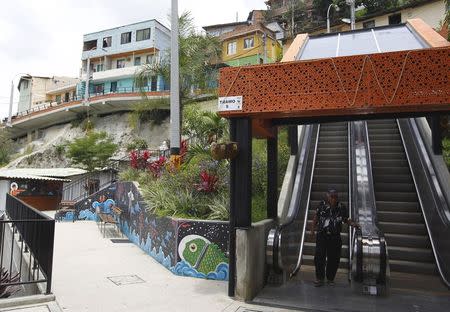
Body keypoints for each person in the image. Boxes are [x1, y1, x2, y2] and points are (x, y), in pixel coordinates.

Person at [310, 188, 360, 287]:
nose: (333, 199)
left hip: (335, 236)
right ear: (327, 196)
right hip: (322, 235)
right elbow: (316, 217)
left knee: (334, 258)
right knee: (319, 257)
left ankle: (330, 278)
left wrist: (354, 224)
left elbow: (346, 219)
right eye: (331, 196)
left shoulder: (341, 207)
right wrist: (312, 230)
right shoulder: (322, 205)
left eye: (335, 197)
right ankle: (319, 278)